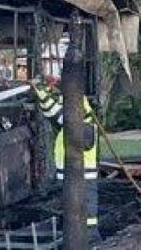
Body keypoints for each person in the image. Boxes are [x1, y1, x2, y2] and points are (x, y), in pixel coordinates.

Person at [31, 76, 100, 238]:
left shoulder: (82, 124)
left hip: (82, 176)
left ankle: (92, 240)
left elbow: (58, 115)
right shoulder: (76, 119)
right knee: (73, 212)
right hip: (73, 175)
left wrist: (41, 91)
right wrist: (45, 90)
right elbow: (51, 112)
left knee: (87, 215)